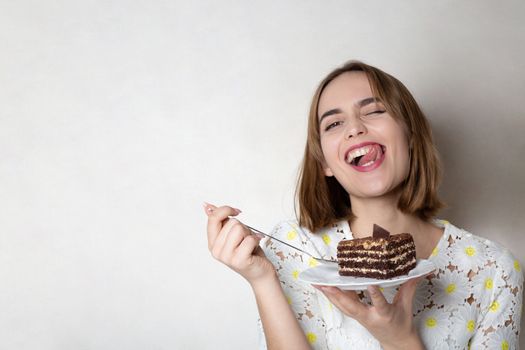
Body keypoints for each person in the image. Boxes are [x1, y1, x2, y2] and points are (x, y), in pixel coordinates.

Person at [204, 61, 523, 349]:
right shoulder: (291, 248)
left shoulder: (494, 270)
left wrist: (401, 341)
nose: (355, 127)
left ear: (410, 134)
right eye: (333, 124)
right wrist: (262, 279)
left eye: (373, 111)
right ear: (325, 163)